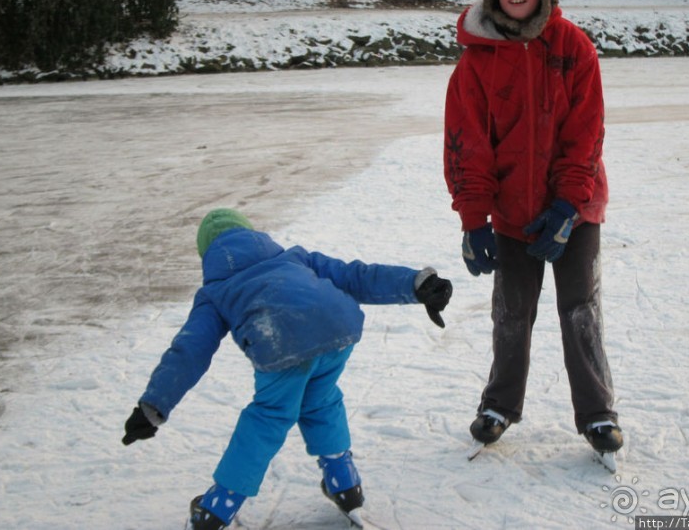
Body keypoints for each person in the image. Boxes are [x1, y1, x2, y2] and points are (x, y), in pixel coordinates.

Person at [122, 208, 453, 529]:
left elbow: (189, 351)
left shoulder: (216, 291)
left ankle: (216, 508)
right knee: (321, 401)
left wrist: (154, 406)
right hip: (337, 328)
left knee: (268, 418)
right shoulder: (295, 257)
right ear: (252, 234)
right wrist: (415, 283)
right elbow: (356, 275)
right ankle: (345, 483)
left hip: (280, 342)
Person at [443, 0, 623, 457]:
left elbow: (585, 134)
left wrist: (568, 205)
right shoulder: (475, 63)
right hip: (512, 212)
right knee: (511, 311)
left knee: (579, 310)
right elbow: (466, 143)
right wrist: (474, 218)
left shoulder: (572, 47)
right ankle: (499, 405)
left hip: (576, 206)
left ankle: (597, 414)